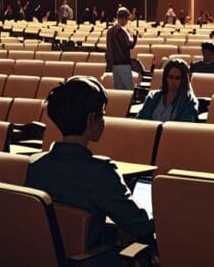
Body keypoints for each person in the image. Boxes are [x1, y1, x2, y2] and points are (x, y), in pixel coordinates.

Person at [25, 76, 155, 253]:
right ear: (91, 119)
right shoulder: (101, 172)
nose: (103, 120)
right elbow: (141, 226)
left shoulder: (36, 165)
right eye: (102, 114)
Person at [105, 7, 138, 91]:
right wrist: (134, 37)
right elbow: (129, 45)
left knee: (118, 90)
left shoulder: (109, 31)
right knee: (128, 90)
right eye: (127, 19)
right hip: (124, 64)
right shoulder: (121, 32)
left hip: (114, 64)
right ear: (123, 19)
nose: (127, 21)